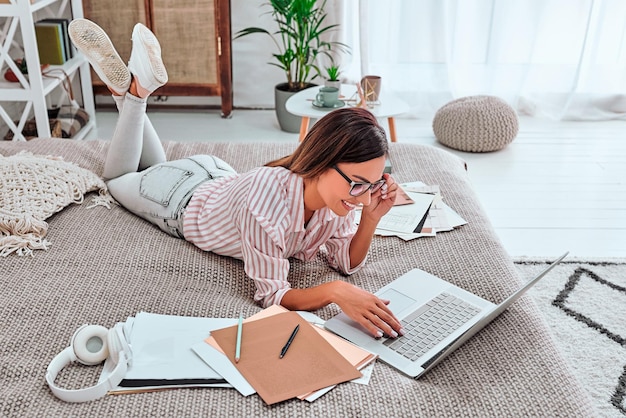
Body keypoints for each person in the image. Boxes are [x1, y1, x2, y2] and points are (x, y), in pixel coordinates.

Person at [68, 19, 405, 339]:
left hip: (214, 174)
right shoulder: (267, 207)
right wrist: (333, 292)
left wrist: (371, 220)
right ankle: (135, 95)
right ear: (322, 162)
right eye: (357, 184)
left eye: (373, 185)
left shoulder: (337, 202)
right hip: (179, 201)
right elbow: (272, 296)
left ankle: (128, 91)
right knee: (119, 178)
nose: (363, 198)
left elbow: (344, 262)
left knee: (154, 167)